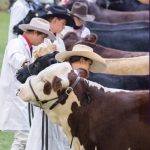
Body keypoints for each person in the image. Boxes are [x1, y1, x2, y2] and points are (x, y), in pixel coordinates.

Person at [25, 5, 75, 150]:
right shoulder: (41, 44)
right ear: (54, 20)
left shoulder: (57, 42)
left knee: (54, 132)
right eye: (63, 23)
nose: (64, 27)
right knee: (40, 130)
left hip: (56, 90)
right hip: (44, 90)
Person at [0, 17, 53, 150]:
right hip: (15, 97)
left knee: (27, 136)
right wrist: (33, 62)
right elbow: (16, 58)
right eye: (43, 36)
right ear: (35, 33)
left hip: (23, 97)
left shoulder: (30, 47)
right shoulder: (16, 44)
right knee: (24, 136)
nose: (43, 40)